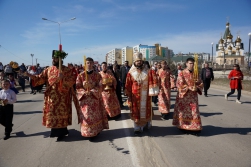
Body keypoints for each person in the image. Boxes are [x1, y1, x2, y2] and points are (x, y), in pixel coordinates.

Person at [24, 51, 79, 141]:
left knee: (62, 114)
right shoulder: (48, 69)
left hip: (63, 97)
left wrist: (63, 79)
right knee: (52, 114)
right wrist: (29, 75)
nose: (53, 60)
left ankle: (62, 132)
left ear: (60, 59)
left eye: (55, 58)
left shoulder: (66, 70)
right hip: (51, 97)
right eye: (52, 58)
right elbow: (40, 78)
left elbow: (72, 80)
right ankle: (55, 132)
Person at [125, 52, 159, 135]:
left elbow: (153, 79)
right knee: (136, 111)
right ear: (134, 62)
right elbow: (128, 84)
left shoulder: (148, 71)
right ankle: (136, 127)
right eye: (137, 61)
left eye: (140, 61)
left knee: (145, 110)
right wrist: (128, 95)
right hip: (135, 96)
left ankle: (144, 124)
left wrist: (152, 88)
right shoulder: (130, 72)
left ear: (142, 61)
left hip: (145, 96)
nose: (138, 62)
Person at [76, 57, 109, 138]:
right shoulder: (81, 75)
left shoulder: (97, 75)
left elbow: (100, 85)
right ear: (85, 64)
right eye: (88, 63)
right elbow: (77, 87)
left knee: (95, 116)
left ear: (93, 64)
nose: (89, 65)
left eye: (91, 63)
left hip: (94, 99)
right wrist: (84, 91)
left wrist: (92, 91)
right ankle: (87, 132)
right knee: (86, 116)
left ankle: (95, 131)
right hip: (85, 100)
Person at [172, 58, 203, 136]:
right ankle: (183, 126)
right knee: (184, 112)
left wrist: (197, 87)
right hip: (184, 97)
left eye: (193, 63)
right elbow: (179, 84)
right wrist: (188, 87)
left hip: (193, 96)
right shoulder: (182, 73)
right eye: (190, 63)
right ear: (186, 64)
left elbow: (200, 83)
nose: (191, 65)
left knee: (194, 111)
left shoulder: (196, 73)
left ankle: (195, 127)